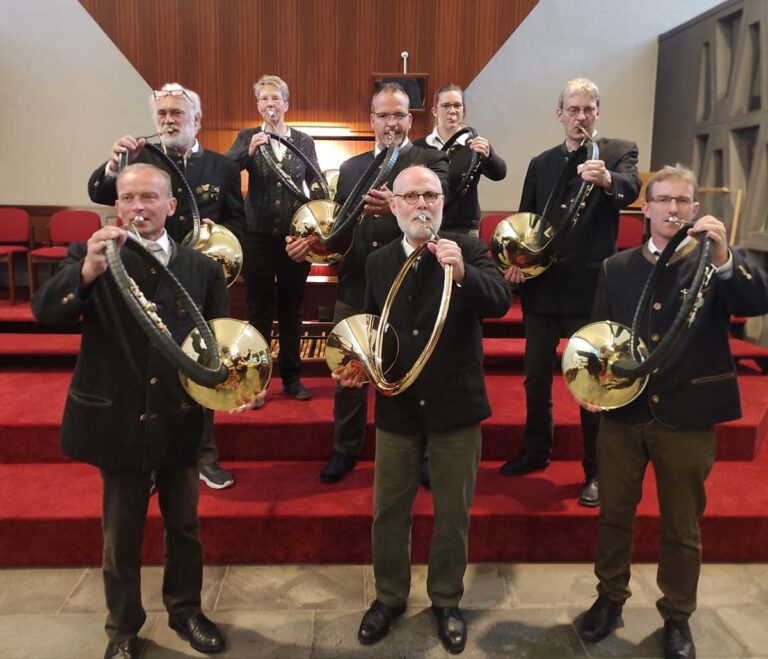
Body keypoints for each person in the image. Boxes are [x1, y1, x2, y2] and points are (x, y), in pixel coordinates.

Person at [33, 164, 233, 659]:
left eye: (149, 197)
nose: (137, 207)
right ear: (116, 205)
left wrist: (233, 386)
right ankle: (122, 627)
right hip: (117, 417)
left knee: (183, 528)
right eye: (127, 198)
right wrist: (87, 272)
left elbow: (218, 344)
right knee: (120, 535)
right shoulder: (90, 255)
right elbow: (44, 311)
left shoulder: (201, 268)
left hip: (178, 416)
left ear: (171, 207)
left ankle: (186, 610)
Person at [575, 165, 768, 658]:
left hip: (687, 416)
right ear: (646, 209)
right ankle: (609, 598)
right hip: (623, 416)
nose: (672, 209)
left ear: (695, 209)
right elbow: (597, 338)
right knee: (615, 517)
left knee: (683, 527)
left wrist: (726, 255)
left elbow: (756, 298)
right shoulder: (616, 268)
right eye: (662, 200)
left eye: (682, 201)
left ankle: (678, 615)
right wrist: (591, 385)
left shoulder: (713, 264)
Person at [335, 165, 511, 653]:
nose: (421, 204)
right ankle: (389, 597)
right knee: (389, 511)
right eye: (410, 196)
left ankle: (446, 600)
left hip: (456, 405)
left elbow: (499, 301)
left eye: (430, 195)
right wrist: (360, 364)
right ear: (393, 207)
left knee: (452, 511)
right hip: (399, 407)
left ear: (442, 203)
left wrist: (464, 273)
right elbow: (375, 328)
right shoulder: (379, 260)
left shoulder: (470, 250)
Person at [287, 82, 449, 484]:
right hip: (358, 284)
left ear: (410, 120)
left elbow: (440, 217)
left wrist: (396, 207)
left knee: (417, 372)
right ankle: (346, 448)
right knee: (349, 373)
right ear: (371, 120)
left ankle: (423, 455)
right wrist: (313, 244)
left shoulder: (431, 160)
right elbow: (341, 233)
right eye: (383, 115)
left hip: (413, 285)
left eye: (399, 115)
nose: (391, 122)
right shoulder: (352, 168)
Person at [88, 82, 245, 490]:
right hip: (146, 276)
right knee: (150, 370)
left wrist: (223, 230)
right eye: (162, 115)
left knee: (206, 362)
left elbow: (240, 220)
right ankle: (152, 459)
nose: (169, 120)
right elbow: (102, 192)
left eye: (177, 113)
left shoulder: (222, 165)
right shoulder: (140, 158)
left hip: (201, 278)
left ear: (197, 119)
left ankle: (205, 457)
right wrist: (113, 163)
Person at [499, 78, 642, 507]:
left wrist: (608, 179)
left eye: (588, 109)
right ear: (559, 114)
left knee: (590, 386)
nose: (580, 117)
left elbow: (631, 188)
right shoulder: (541, 162)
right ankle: (536, 450)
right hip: (543, 289)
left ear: (598, 112)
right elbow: (526, 221)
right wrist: (515, 261)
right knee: (536, 378)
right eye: (572, 109)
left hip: (590, 292)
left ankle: (594, 471)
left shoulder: (618, 153)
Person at [226, 75, 320, 403]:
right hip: (257, 237)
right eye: (264, 99)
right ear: (258, 105)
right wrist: (247, 151)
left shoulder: (304, 140)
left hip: (294, 238)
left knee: (292, 309)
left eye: (275, 99)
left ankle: (292, 378)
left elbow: (317, 182)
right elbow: (225, 171)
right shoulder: (246, 136)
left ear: (286, 104)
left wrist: (317, 224)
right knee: (259, 311)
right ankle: (259, 380)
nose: (270, 104)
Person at [413, 83, 507, 237]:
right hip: (427, 224)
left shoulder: (475, 145)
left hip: (465, 228)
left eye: (457, 105)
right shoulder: (419, 147)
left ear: (463, 111)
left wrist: (488, 156)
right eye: (446, 106)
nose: (452, 111)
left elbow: (500, 174)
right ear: (435, 111)